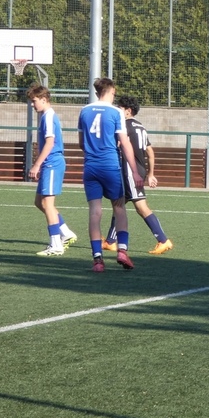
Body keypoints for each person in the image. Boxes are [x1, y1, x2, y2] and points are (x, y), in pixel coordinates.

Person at [77, 77, 142, 272]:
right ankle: (122, 250)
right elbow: (125, 142)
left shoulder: (84, 111)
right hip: (110, 167)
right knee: (119, 207)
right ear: (111, 92)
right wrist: (135, 172)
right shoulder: (116, 112)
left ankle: (97, 259)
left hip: (90, 167)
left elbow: (81, 143)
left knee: (95, 212)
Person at [102, 94, 173, 255]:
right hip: (137, 170)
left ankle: (163, 240)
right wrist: (150, 174)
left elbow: (118, 144)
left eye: (120, 108)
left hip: (130, 171)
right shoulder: (141, 127)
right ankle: (110, 241)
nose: (117, 110)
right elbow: (150, 151)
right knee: (119, 204)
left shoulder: (124, 126)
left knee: (141, 206)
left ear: (128, 111)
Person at [26, 83, 78, 256]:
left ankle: (56, 245)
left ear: (43, 99)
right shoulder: (46, 116)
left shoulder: (48, 116)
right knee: (39, 202)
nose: (32, 105)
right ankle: (66, 233)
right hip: (49, 163)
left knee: (48, 204)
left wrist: (37, 165)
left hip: (52, 163)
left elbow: (50, 143)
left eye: (34, 101)